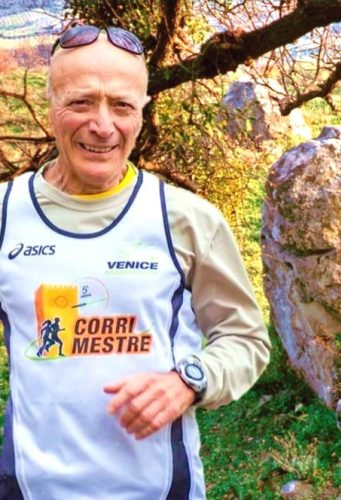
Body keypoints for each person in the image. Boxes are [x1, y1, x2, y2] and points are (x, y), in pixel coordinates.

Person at [0, 25, 270, 499]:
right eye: (81, 102)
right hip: (29, 487)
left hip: (160, 489)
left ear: (142, 113)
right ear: (52, 105)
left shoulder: (186, 219)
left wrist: (189, 381)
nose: (103, 125)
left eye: (121, 106)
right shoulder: (5, 216)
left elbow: (245, 339)